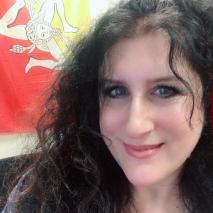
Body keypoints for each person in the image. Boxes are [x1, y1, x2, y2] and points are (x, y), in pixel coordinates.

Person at [1, 0, 213, 212]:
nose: (135, 126)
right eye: (116, 91)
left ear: (206, 98)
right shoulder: (43, 196)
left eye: (165, 90)